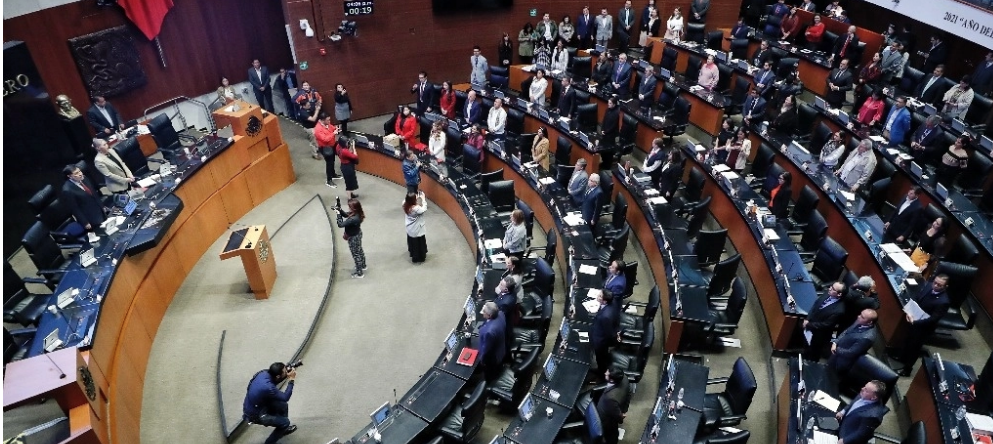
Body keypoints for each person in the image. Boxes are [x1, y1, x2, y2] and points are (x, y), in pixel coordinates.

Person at [895, 274, 951, 376]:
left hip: (924, 328)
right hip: (914, 318)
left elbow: (933, 320)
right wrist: (909, 311)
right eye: (935, 283)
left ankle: (907, 369)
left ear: (945, 287)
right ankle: (902, 358)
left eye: (939, 285)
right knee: (907, 340)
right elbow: (917, 298)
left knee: (914, 348)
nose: (935, 286)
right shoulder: (928, 285)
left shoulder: (943, 301)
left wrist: (915, 322)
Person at [243, 362, 298, 444]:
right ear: (278, 376)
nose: (286, 371)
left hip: (257, 403)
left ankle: (282, 430)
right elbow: (285, 397)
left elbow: (276, 379)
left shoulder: (263, 373)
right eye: (284, 371)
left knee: (283, 406)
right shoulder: (268, 388)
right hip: (255, 414)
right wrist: (291, 380)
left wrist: (286, 374)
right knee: (285, 422)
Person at [803, 281, 846, 361]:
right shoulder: (828, 293)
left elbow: (826, 324)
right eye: (831, 286)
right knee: (806, 347)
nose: (829, 288)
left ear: (839, 294)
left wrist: (809, 324)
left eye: (833, 289)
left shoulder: (839, 310)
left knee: (813, 353)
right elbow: (815, 305)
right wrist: (807, 319)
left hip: (819, 334)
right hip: (809, 326)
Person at [62, 164, 106, 241]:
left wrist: (102, 206)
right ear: (69, 176)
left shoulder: (84, 178)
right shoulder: (67, 190)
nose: (80, 174)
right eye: (76, 173)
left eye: (79, 171)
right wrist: (85, 222)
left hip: (99, 210)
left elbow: (94, 194)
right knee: (103, 237)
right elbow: (74, 209)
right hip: (90, 218)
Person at [829, 309, 878, 376]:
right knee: (827, 369)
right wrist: (835, 342)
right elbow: (846, 331)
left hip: (842, 361)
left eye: (862, 317)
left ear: (870, 322)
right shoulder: (860, 321)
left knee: (832, 376)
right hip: (836, 352)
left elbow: (851, 353)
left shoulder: (867, 338)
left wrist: (836, 349)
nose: (858, 316)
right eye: (860, 314)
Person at [598, 366, 630, 444]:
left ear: (611, 380)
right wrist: (624, 410)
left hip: (606, 417)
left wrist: (621, 416)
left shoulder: (610, 398)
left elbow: (616, 414)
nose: (605, 373)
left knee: (610, 433)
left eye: (607, 374)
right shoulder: (624, 377)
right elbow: (628, 394)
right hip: (614, 405)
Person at [336, 198, 367, 278]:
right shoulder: (357, 213)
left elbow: (340, 224)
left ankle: (359, 273)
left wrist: (338, 214)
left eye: (350, 207)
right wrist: (339, 210)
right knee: (359, 250)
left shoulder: (353, 219)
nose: (348, 208)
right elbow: (346, 215)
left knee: (356, 254)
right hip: (358, 234)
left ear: (354, 208)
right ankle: (363, 265)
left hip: (353, 238)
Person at [591, 289, 621, 371]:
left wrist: (615, 337)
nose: (597, 296)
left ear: (604, 301)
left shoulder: (606, 316)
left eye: (600, 296)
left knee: (600, 357)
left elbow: (609, 333)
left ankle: (601, 372)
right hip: (603, 326)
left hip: (600, 340)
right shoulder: (613, 301)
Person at [478, 301, 507, 382]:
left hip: (493, 358)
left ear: (489, 315)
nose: (482, 313)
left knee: (490, 374)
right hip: (501, 348)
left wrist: (482, 360)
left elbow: (486, 350)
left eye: (484, 312)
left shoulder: (489, 332)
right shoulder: (501, 314)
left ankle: (489, 383)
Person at [295, 81, 323, 159]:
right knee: (313, 141)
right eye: (308, 104)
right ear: (304, 106)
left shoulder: (313, 95)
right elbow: (313, 119)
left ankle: (318, 149)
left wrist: (318, 104)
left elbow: (319, 99)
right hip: (309, 128)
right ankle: (315, 154)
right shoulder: (303, 112)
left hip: (314, 125)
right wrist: (317, 110)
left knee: (318, 138)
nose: (310, 105)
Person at [315, 113, 341, 187]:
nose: (329, 121)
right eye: (328, 120)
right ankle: (329, 180)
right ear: (323, 120)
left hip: (332, 145)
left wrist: (336, 129)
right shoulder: (318, 129)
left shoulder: (327, 124)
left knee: (332, 161)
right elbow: (325, 139)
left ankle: (333, 174)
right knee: (329, 163)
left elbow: (332, 127)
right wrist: (333, 133)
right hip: (325, 148)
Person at [403, 191, 429, 263]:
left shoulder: (405, 204)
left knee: (413, 242)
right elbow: (424, 209)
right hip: (417, 229)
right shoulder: (416, 209)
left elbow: (407, 199)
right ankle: (420, 257)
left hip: (410, 228)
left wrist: (413, 197)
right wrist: (423, 199)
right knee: (419, 243)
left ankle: (413, 255)